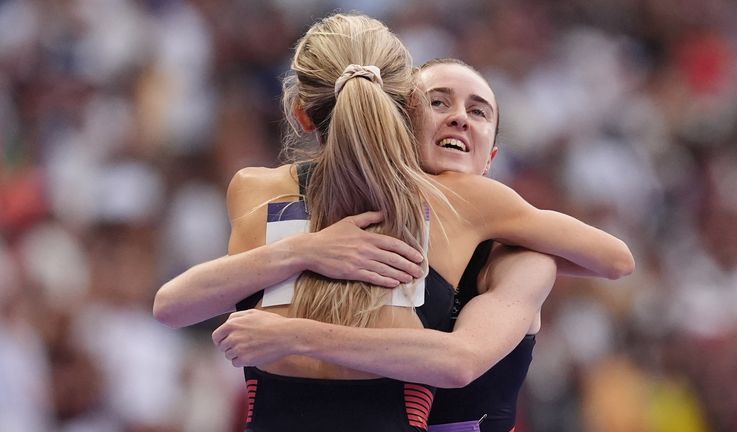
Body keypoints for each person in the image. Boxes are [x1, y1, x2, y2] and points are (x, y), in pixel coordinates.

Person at [154, 13, 634, 432]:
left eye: (478, 110)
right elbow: (170, 305)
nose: (458, 120)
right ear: (398, 116)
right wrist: (306, 249)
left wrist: (295, 330)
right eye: (439, 102)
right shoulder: (448, 202)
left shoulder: (491, 219)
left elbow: (613, 260)